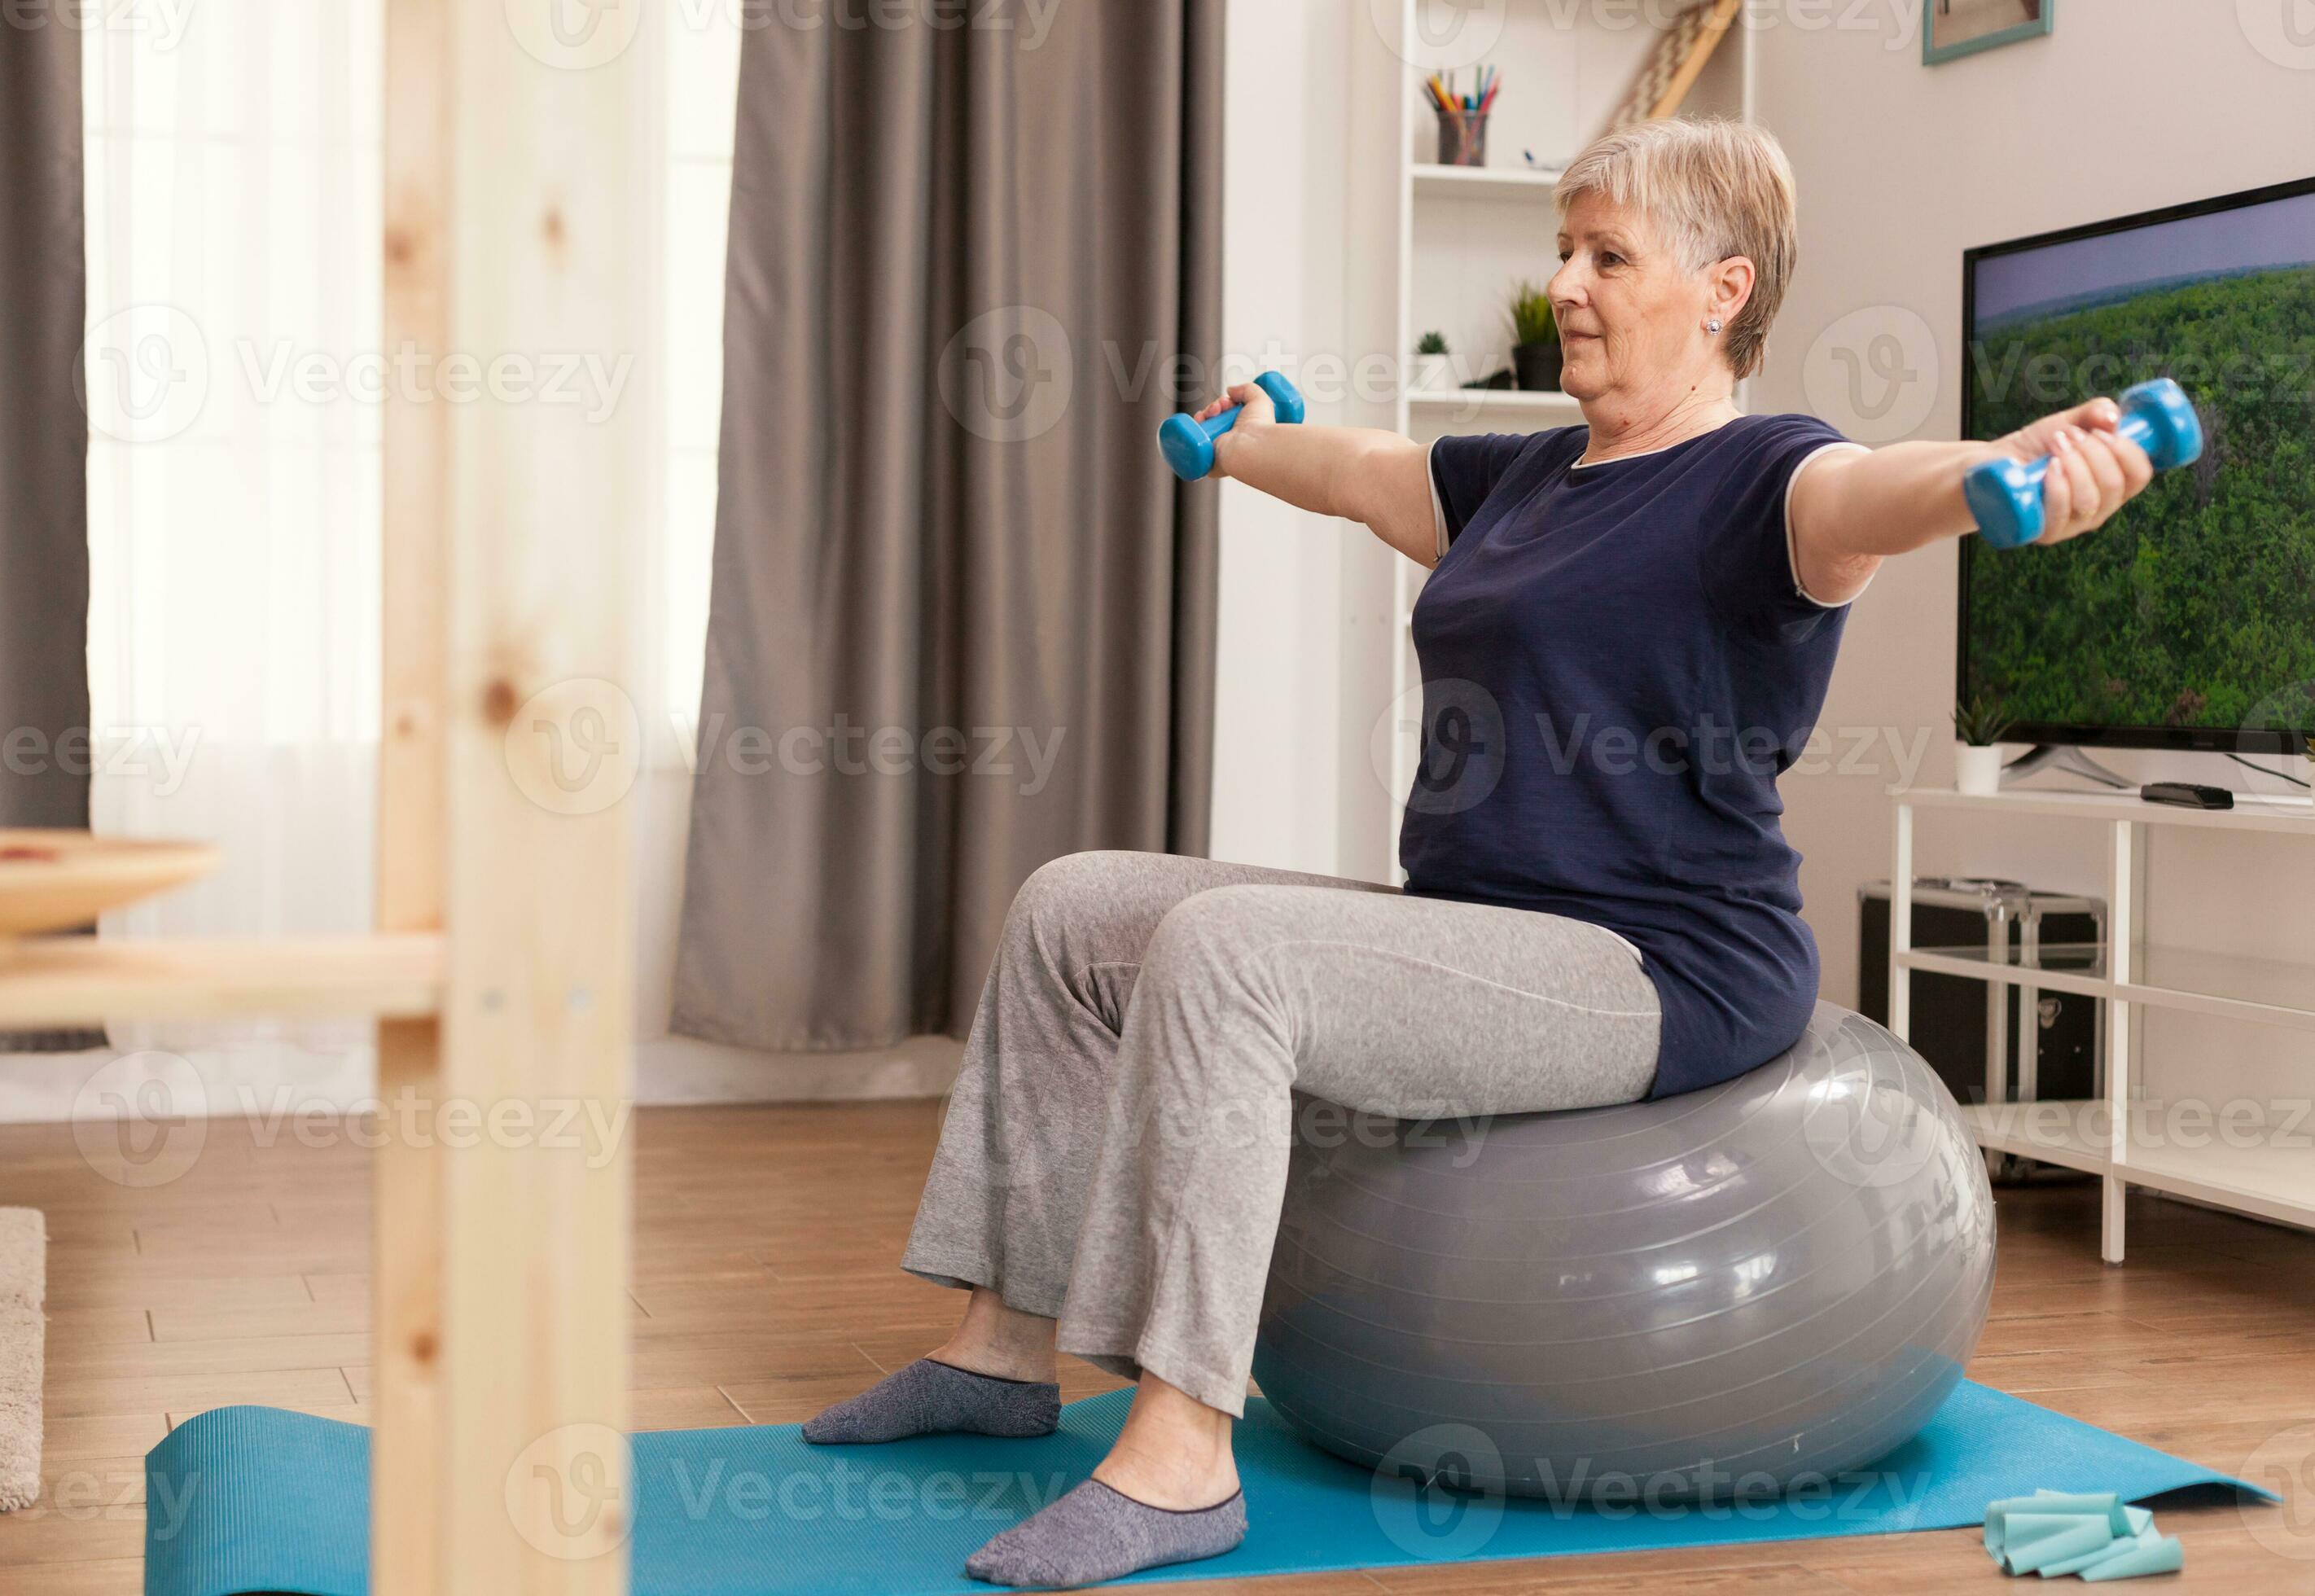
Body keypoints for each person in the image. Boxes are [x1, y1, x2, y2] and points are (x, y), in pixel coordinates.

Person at [800, 116, 2159, 1590]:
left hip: (1665, 964)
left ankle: (1184, 1456)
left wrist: (2007, 467)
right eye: (1564, 252)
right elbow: (1364, 468)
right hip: (1482, 926)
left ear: (1722, 288)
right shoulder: (1528, 481)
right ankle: (1001, 1353)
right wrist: (1240, 437)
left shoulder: (1775, 480)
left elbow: (1886, 490)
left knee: (1226, 955)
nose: (1569, 285)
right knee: (1078, 909)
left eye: (1609, 256)